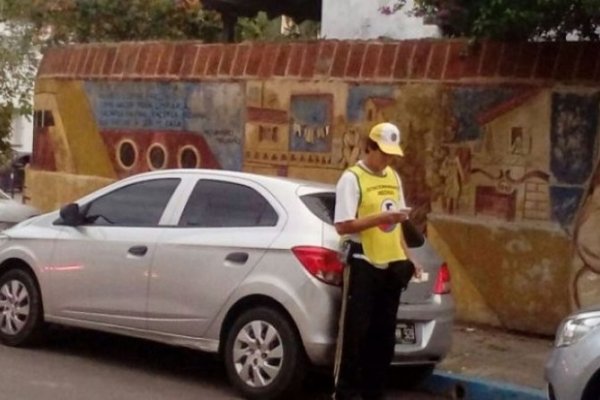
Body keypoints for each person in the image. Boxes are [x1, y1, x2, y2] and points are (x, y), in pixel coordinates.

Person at [333, 122, 417, 400]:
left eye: (391, 155)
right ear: (369, 147)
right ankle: (346, 393)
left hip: (390, 263)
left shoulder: (393, 176)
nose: (387, 160)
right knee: (356, 335)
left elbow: (399, 223)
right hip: (363, 262)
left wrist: (410, 257)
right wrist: (379, 219)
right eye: (382, 154)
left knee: (383, 337)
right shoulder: (352, 178)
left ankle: (374, 393)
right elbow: (343, 226)